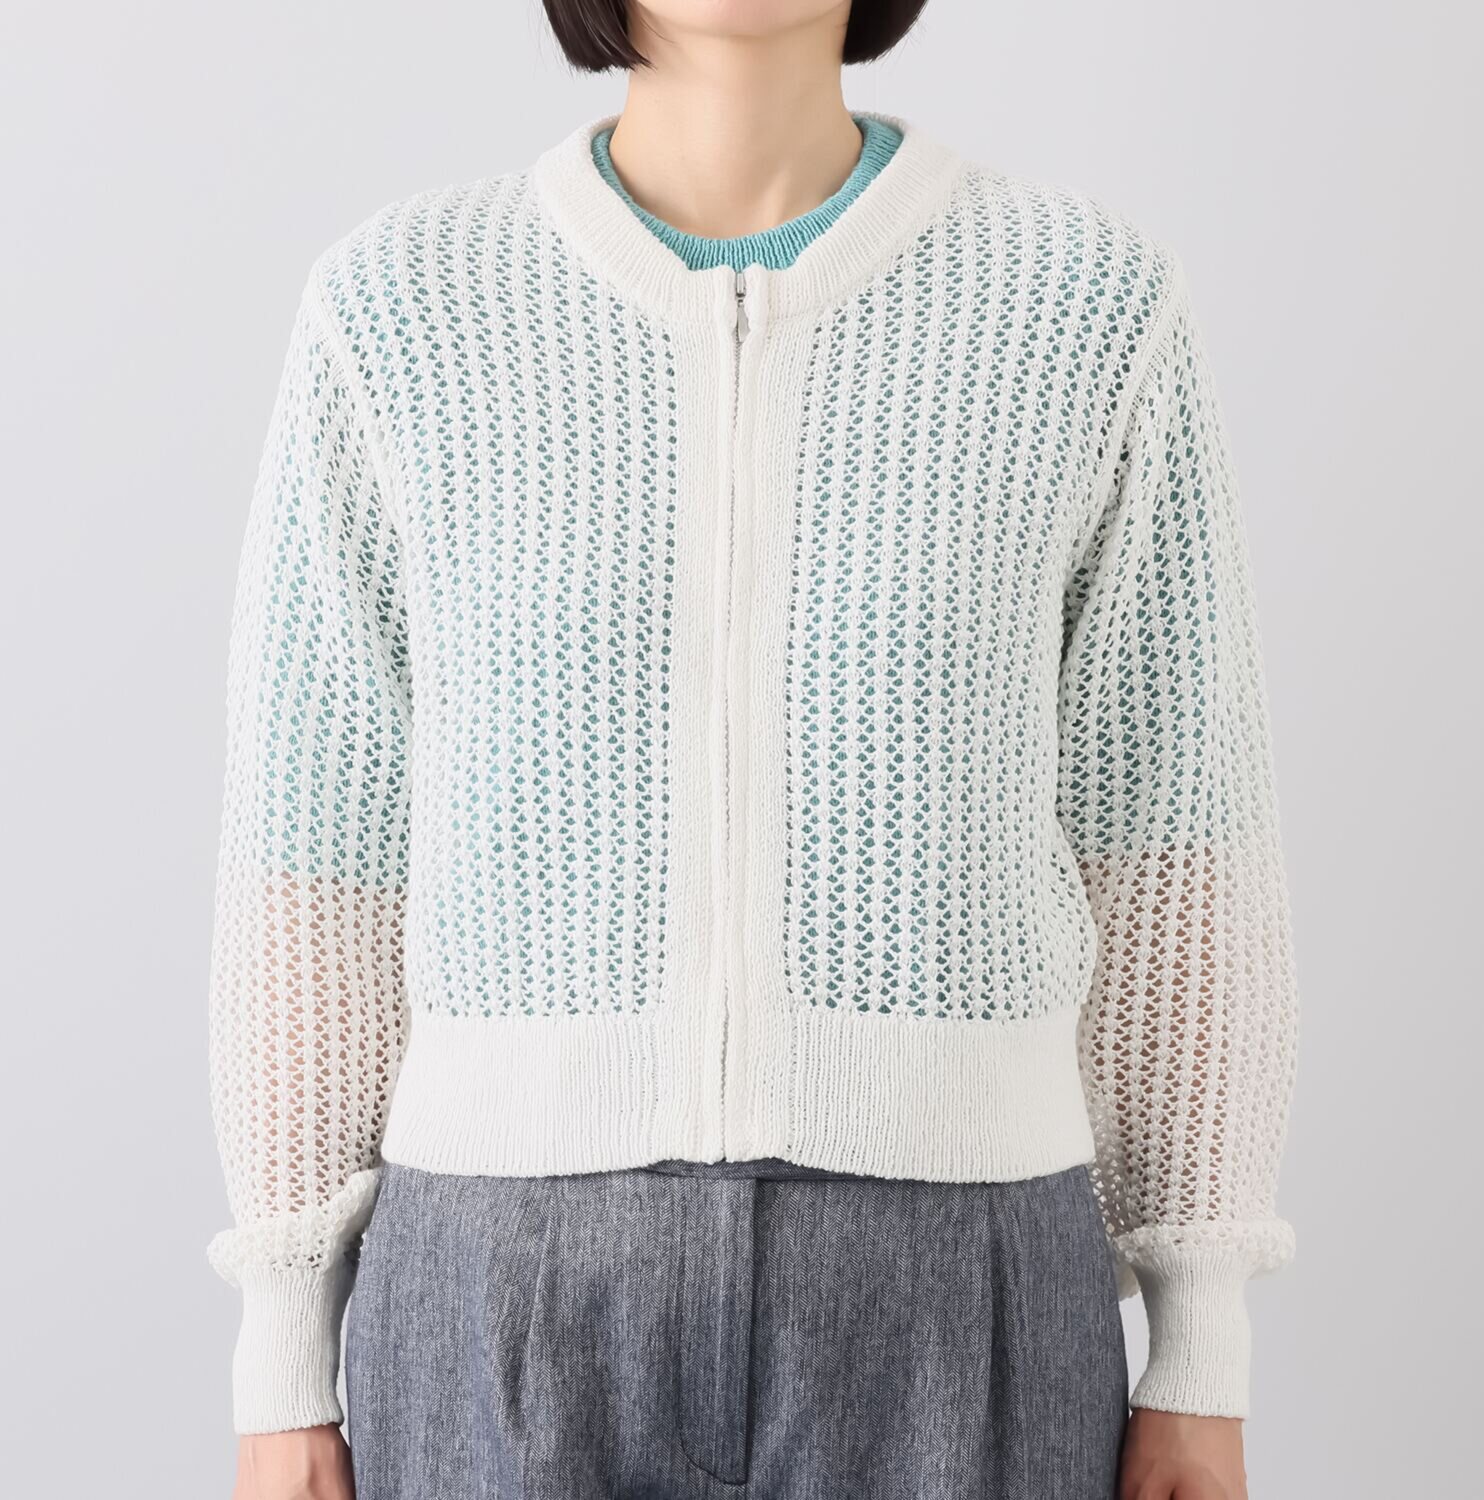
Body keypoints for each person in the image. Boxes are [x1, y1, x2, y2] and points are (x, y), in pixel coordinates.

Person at [206, 2, 1300, 1497]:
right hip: (500, 1281)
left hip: (960, 1270)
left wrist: (1202, 1340)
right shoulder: (402, 310)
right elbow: (318, 854)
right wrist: (282, 1347)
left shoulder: (1083, 305)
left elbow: (1172, 836)